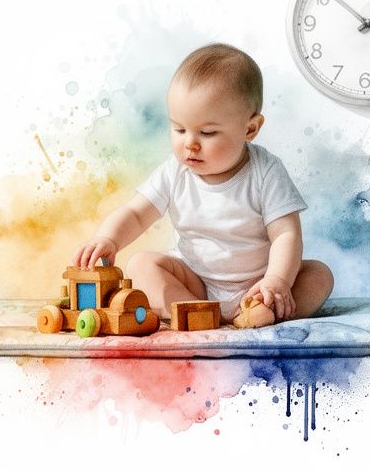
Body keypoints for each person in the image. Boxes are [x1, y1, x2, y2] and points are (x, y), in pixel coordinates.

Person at [72, 43, 333, 328]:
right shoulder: (175, 172)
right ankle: (196, 313)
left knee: (319, 276)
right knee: (140, 265)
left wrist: (276, 280)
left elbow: (286, 234)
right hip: (195, 284)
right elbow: (136, 213)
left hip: (258, 284)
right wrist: (108, 239)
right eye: (179, 129)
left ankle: (260, 311)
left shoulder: (265, 172)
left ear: (250, 129)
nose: (190, 143)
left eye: (207, 133)